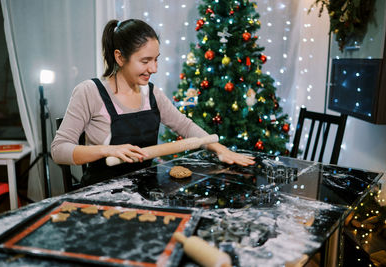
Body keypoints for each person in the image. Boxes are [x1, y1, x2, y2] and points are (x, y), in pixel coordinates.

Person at [51, 19, 255, 186]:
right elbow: (59, 150)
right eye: (145, 61)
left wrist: (221, 149)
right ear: (120, 58)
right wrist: (108, 150)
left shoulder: (151, 93)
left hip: (145, 190)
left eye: (156, 59)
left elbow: (184, 126)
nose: (154, 68)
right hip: (100, 194)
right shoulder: (89, 92)